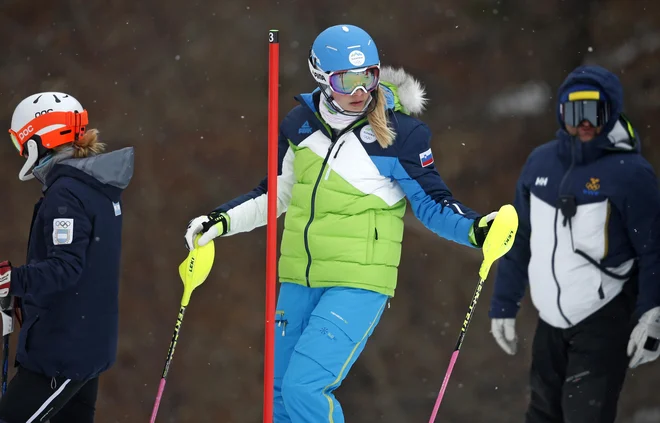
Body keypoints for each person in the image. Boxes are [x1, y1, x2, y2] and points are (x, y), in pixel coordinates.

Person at [184, 24, 500, 422]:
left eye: (367, 77)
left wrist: (476, 229)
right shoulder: (300, 124)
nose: (359, 91)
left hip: (357, 283)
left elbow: (434, 204)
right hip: (299, 278)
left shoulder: (401, 135)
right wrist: (221, 221)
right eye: (345, 80)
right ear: (320, 76)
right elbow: (276, 193)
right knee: (280, 396)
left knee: (306, 389)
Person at [488, 65, 660, 422]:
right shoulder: (540, 162)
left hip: (604, 315)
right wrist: (504, 304)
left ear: (610, 113)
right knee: (542, 414)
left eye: (594, 113)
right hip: (550, 320)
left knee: (584, 415)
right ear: (561, 113)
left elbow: (653, 250)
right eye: (574, 112)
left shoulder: (630, 173)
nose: (583, 123)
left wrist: (652, 313)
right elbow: (519, 237)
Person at [0, 92, 134, 422]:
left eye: (22, 144)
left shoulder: (68, 193)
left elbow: (65, 267)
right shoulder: (93, 187)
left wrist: (11, 280)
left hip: (61, 354)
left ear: (38, 141)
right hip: (82, 345)